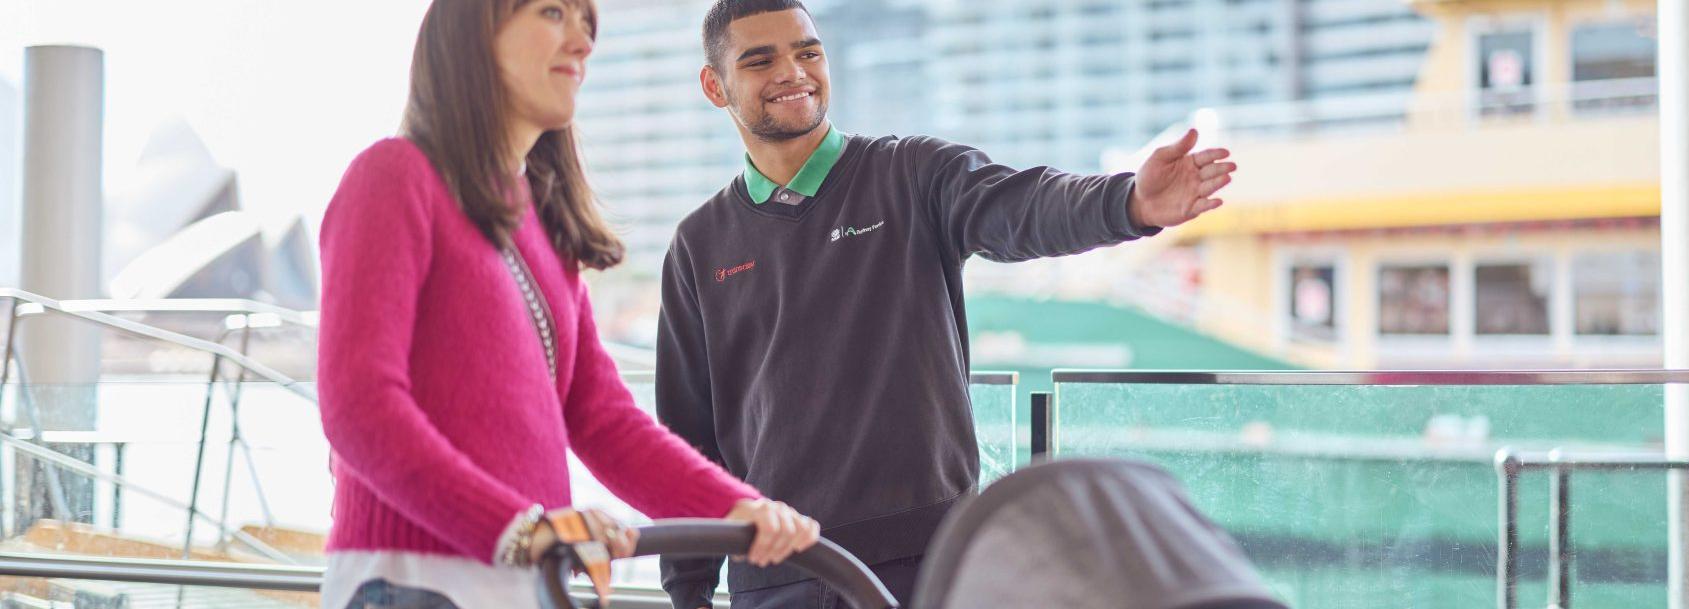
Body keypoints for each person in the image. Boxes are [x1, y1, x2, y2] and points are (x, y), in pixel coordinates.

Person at [655, 2, 1237, 607]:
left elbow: (1023, 206)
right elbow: (688, 439)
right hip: (774, 577)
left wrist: (1130, 203)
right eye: (760, 60)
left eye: (808, 52)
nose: (793, 72)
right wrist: (689, 594)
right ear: (715, 86)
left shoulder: (911, 173)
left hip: (926, 563)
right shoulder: (699, 244)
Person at [317, 1, 820, 607]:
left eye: (587, 24)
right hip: (411, 581)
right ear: (473, 30)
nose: (583, 43)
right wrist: (520, 529)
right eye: (554, 13)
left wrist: (738, 508)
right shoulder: (393, 176)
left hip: (518, 580)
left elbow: (602, 419)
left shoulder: (544, 227)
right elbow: (359, 406)